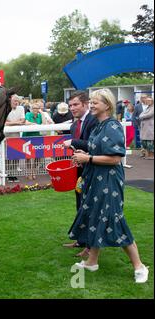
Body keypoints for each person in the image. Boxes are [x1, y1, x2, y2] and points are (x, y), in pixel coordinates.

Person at [70, 88, 149, 284]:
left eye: (96, 102)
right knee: (97, 216)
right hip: (96, 178)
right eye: (92, 101)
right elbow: (96, 149)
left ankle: (139, 266)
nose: (92, 105)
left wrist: (87, 158)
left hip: (109, 180)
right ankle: (92, 261)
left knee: (115, 220)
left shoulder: (112, 126)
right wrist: (83, 156)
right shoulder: (99, 126)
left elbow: (114, 158)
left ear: (107, 105)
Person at [62, 91, 98, 256]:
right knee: (80, 204)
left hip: (94, 170)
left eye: (75, 104)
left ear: (85, 104)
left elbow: (94, 145)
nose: (72, 108)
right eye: (70, 106)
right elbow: (80, 148)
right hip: (80, 171)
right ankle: (81, 240)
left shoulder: (94, 120)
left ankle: (90, 246)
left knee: (90, 207)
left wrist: (74, 142)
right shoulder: (73, 125)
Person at [4, 94, 26, 182]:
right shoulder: (5, 108)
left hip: (16, 135)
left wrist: (11, 122)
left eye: (17, 101)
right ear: (10, 101)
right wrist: (17, 122)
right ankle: (7, 173)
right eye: (14, 101)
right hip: (7, 135)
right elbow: (4, 123)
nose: (16, 103)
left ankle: (12, 174)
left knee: (16, 155)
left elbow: (23, 121)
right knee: (7, 156)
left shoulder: (21, 108)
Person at [139, 96, 154, 160]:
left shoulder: (153, 108)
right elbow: (140, 115)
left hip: (150, 127)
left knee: (150, 141)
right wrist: (142, 116)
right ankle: (148, 155)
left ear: (152, 101)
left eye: (149, 101)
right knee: (145, 141)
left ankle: (151, 155)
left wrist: (142, 116)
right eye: (147, 101)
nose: (147, 102)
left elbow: (149, 115)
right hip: (145, 127)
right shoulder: (147, 108)